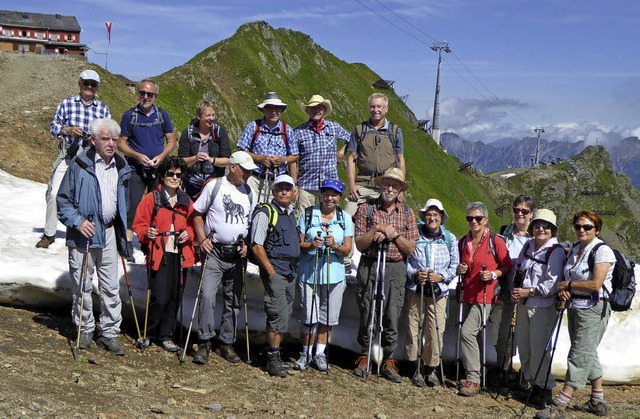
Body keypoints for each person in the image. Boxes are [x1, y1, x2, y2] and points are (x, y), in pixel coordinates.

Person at [57, 117, 133, 355]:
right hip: (85, 234)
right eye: (105, 138)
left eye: (114, 139)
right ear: (92, 140)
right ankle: (85, 328)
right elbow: (63, 201)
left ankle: (109, 332)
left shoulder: (122, 167)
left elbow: (124, 203)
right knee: (83, 284)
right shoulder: (79, 165)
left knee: (111, 286)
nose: (111, 143)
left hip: (110, 231)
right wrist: (78, 221)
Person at [536, 210, 616, 419]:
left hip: (594, 308)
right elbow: (569, 278)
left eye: (587, 227)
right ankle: (597, 399)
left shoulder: (602, 251)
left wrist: (568, 284)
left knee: (579, 354)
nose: (582, 230)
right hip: (576, 307)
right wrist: (566, 289)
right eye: (578, 226)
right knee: (587, 351)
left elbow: (596, 284)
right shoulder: (575, 250)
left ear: (597, 229)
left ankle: (560, 404)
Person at [352, 167, 418, 383]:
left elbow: (410, 248)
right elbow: (360, 245)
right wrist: (376, 230)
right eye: (387, 184)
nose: (390, 188)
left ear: (400, 190)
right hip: (370, 264)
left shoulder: (407, 213)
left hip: (395, 268)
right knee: (366, 308)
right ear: (380, 186)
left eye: (395, 185)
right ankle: (364, 354)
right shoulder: (366, 209)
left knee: (392, 312)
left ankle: (389, 359)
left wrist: (394, 234)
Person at [190, 151, 256, 365]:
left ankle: (226, 342)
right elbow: (197, 213)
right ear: (233, 167)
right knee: (207, 296)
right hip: (215, 251)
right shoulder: (214, 186)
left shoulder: (250, 192)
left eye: (249, 171)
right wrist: (202, 238)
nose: (247, 174)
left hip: (237, 253)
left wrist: (246, 245)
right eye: (244, 170)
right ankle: (205, 341)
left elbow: (249, 223)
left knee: (234, 299)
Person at [37, 69, 111, 249]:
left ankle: (85, 231)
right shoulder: (66, 103)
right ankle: (49, 234)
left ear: (97, 87)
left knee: (88, 197)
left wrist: (95, 140)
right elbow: (54, 126)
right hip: (68, 156)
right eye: (86, 83)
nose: (89, 87)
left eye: (93, 84)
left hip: (90, 159)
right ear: (79, 84)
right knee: (55, 193)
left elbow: (109, 134)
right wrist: (67, 130)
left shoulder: (103, 109)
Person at [132, 156, 196, 352]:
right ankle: (149, 333)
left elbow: (194, 225)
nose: (174, 178)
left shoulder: (186, 200)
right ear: (162, 175)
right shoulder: (152, 198)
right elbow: (139, 224)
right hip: (159, 252)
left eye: (178, 174)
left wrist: (189, 234)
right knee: (159, 296)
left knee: (175, 296)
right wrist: (146, 233)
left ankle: (166, 335)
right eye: (170, 174)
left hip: (180, 253)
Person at [294, 179, 353, 372]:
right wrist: (312, 246)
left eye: (334, 195)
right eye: (326, 194)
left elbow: (347, 250)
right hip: (309, 273)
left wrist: (334, 246)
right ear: (321, 195)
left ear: (339, 198)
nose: (330, 198)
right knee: (309, 316)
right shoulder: (308, 214)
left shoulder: (345, 218)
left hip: (334, 275)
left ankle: (319, 354)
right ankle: (305, 353)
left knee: (328, 317)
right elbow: (298, 245)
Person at [456, 202, 512, 396]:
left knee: (467, 332)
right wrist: (460, 269)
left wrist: (493, 275)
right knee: (474, 335)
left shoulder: (495, 241)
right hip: (468, 293)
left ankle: (473, 378)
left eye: (478, 218)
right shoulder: (464, 242)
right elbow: (463, 265)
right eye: (470, 218)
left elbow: (506, 266)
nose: (473, 221)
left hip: (486, 296)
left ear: (485, 220)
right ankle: (476, 373)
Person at [117, 78, 176, 258]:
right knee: (132, 205)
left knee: (156, 206)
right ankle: (126, 242)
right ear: (138, 93)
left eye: (149, 94)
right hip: (136, 168)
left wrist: (161, 157)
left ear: (155, 95)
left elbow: (171, 141)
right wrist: (137, 155)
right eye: (142, 93)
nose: (145, 96)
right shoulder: (129, 116)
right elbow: (121, 143)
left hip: (157, 169)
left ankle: (150, 241)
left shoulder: (162, 115)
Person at [511, 209, 564, 407]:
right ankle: (530, 383)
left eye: (546, 226)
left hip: (542, 307)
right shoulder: (528, 245)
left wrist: (528, 292)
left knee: (539, 350)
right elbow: (519, 269)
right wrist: (516, 290)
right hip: (524, 305)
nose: (541, 229)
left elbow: (551, 283)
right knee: (524, 347)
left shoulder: (555, 251)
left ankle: (543, 389)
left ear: (552, 230)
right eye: (538, 225)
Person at [250, 174, 300, 377]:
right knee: (277, 314)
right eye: (280, 188)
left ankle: (273, 352)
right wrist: (270, 270)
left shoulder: (290, 214)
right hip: (277, 271)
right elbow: (256, 244)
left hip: (290, 272)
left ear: (293, 192)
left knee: (283, 314)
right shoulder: (265, 213)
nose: (284, 191)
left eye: (288, 188)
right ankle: (272, 357)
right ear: (273, 191)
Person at [405, 199, 459, 387]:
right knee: (413, 327)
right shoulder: (414, 235)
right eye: (429, 214)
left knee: (435, 329)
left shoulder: (449, 238)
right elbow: (406, 261)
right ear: (424, 217)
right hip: (416, 288)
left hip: (438, 290)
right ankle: (415, 366)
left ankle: (431, 367)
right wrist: (414, 274)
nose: (432, 218)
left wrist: (441, 277)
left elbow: (454, 266)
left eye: (436, 215)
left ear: (442, 217)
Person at [491, 195, 535, 382]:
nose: (519, 214)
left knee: (526, 336)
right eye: (516, 210)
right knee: (505, 333)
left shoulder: (538, 236)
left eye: (524, 211)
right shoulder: (503, 233)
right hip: (508, 292)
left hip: (530, 295)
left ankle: (526, 374)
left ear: (531, 214)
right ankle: (503, 369)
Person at [344, 93, 405, 216]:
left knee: (389, 219)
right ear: (368, 108)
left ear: (386, 109)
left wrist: (400, 189)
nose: (375, 110)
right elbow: (351, 159)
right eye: (372, 107)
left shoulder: (395, 131)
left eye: (379, 106)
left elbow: (400, 160)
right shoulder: (359, 130)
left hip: (387, 185)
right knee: (347, 217)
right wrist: (351, 186)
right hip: (362, 184)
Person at [289, 95, 350, 210]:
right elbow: (292, 159)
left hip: (329, 184)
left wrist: (341, 151)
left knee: (328, 217)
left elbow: (352, 139)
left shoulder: (334, 127)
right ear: (308, 111)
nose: (317, 110)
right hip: (306, 185)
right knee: (304, 217)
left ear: (324, 110)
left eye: (320, 108)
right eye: (313, 108)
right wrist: (294, 184)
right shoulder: (298, 132)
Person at [236, 92, 298, 197]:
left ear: (281, 111)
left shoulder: (287, 130)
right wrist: (260, 158)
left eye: (277, 108)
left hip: (279, 182)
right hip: (254, 179)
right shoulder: (253, 127)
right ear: (263, 110)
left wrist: (283, 160)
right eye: (269, 108)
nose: (273, 112)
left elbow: (295, 156)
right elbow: (240, 151)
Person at [178, 100, 232, 199]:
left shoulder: (220, 132)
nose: (211, 118)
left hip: (214, 185)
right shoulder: (188, 133)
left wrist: (212, 160)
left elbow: (227, 160)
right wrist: (195, 158)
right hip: (191, 185)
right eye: (208, 115)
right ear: (199, 116)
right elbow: (181, 162)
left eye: (213, 115)